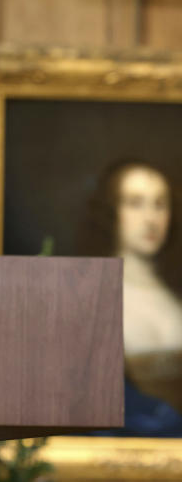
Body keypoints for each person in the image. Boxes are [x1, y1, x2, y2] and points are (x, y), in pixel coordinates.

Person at [78, 160, 182, 436]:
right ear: (111, 211)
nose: (151, 218)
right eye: (135, 203)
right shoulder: (92, 295)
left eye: (160, 204)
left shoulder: (174, 292)